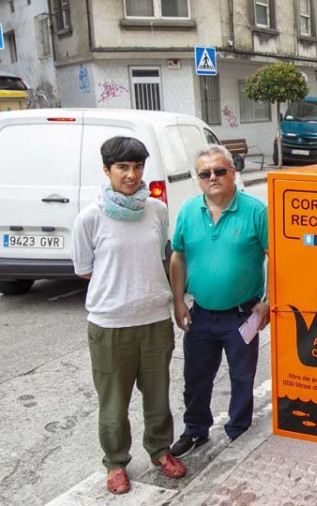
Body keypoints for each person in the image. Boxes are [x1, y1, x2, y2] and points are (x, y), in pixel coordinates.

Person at [72, 136, 186, 494]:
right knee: (113, 403)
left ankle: (160, 450)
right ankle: (116, 463)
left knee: (158, 396)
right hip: (110, 325)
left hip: (154, 320)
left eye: (138, 167)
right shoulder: (90, 217)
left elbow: (164, 255)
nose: (132, 174)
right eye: (123, 167)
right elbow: (84, 270)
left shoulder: (157, 210)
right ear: (107, 170)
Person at [169, 145, 270, 457]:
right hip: (201, 314)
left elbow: (277, 257)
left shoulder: (256, 211)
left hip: (241, 314)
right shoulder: (187, 211)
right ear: (198, 179)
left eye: (219, 171)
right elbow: (178, 256)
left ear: (233, 173)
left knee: (242, 377)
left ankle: (238, 432)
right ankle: (196, 430)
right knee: (196, 378)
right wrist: (178, 301)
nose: (212, 177)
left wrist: (269, 300)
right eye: (205, 173)